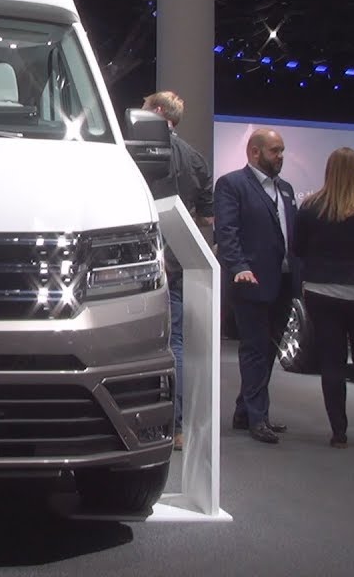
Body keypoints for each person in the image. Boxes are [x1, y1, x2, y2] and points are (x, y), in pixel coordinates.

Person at [291, 147, 354, 448]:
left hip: (321, 291)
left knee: (332, 362)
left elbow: (297, 248)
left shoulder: (311, 207)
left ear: (328, 171)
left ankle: (338, 433)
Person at [214, 128, 296, 444]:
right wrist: (239, 267)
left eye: (282, 150)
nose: (280, 156)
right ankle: (258, 417)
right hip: (250, 281)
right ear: (255, 152)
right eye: (275, 150)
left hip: (283, 281)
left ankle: (245, 412)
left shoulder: (286, 189)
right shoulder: (232, 185)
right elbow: (227, 232)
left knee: (269, 348)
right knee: (254, 349)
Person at [143, 91, 214, 451]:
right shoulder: (196, 158)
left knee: (137, 344)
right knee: (177, 343)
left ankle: (142, 423)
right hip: (179, 260)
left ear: (157, 111)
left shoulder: (137, 153)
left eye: (145, 109)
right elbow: (207, 217)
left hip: (143, 261)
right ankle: (177, 427)